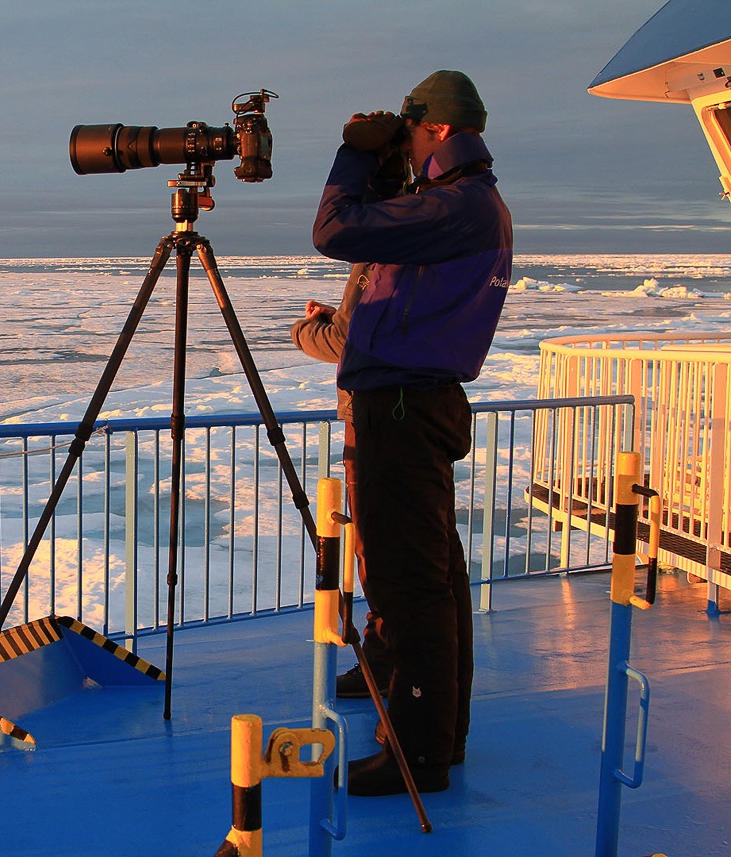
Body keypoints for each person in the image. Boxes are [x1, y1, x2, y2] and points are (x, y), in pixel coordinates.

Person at [311, 70, 512, 796]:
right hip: (416, 397)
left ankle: (420, 751)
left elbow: (335, 229)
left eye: (412, 130)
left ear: (440, 130)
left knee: (411, 582)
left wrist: (357, 157)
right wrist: (394, 163)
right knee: (434, 574)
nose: (408, 140)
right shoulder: (463, 203)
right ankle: (439, 737)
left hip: (399, 403)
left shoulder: (459, 205)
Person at [290, 263, 393, 699]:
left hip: (374, 417)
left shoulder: (384, 246)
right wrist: (338, 316)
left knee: (379, 549)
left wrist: (305, 329)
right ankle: (402, 666)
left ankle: (385, 663)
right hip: (407, 410)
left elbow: (344, 343)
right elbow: (378, 328)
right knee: (409, 551)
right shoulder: (444, 235)